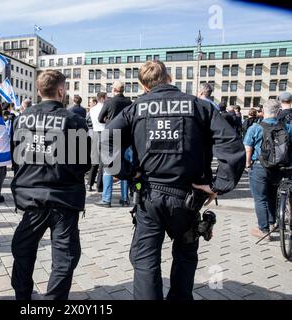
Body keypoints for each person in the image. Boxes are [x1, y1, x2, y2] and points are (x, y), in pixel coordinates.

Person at [103, 60, 245, 300]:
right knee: (185, 255)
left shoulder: (137, 108)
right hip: (187, 198)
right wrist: (217, 186)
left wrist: (126, 172)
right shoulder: (200, 106)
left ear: (143, 85)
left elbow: (105, 140)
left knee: (146, 259)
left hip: (149, 198)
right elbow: (232, 145)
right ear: (169, 77)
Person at [11, 70, 90, 300]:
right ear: (61, 91)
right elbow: (84, 162)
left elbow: (17, 158)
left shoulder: (21, 118)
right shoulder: (73, 119)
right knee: (64, 258)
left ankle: (23, 296)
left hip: (31, 197)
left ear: (38, 91)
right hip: (63, 198)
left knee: (23, 250)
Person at [244, 99, 292, 240]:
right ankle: (272, 223)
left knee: (260, 199)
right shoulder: (288, 128)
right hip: (281, 168)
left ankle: (264, 230)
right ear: (278, 112)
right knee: (272, 195)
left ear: (263, 112)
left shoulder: (254, 128)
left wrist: (247, 164)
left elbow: (248, 148)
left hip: (260, 167)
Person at [96, 81, 132, 207]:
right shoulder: (129, 102)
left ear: (114, 89)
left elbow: (100, 118)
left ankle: (107, 200)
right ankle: (124, 198)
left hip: (110, 137)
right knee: (125, 167)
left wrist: (109, 120)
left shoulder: (109, 102)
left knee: (108, 168)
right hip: (126, 138)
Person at [87, 92, 107, 192]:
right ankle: (99, 186)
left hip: (95, 133)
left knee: (94, 161)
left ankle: (89, 184)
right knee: (102, 162)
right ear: (103, 98)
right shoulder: (105, 107)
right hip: (104, 133)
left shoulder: (92, 109)